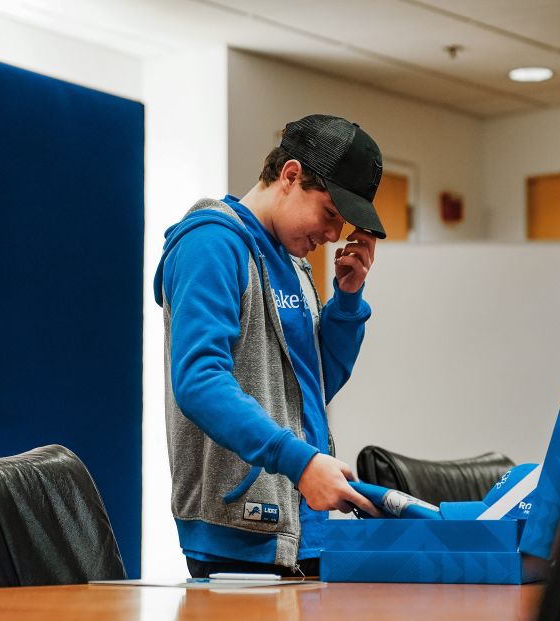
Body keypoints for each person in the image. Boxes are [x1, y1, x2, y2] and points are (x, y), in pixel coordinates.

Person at [153, 114, 387, 578]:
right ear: (291, 175)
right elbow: (199, 381)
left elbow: (311, 389)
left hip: (301, 530)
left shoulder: (293, 265)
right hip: (236, 535)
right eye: (330, 215)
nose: (333, 237)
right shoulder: (211, 244)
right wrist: (300, 463)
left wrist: (346, 302)